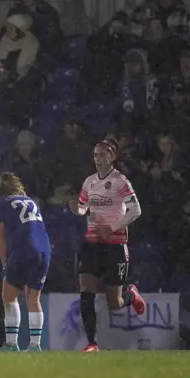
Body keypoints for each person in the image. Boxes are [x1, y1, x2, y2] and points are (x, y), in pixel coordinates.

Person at [68, 139, 146, 352]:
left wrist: (112, 227)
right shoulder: (89, 182)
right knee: (86, 292)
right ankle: (92, 343)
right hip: (92, 245)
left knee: (115, 302)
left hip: (115, 246)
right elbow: (84, 208)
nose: (98, 159)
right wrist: (77, 209)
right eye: (95, 155)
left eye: (102, 154)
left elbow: (135, 210)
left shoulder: (120, 181)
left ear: (112, 157)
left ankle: (131, 294)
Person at [0, 172, 51, 352]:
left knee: (8, 296)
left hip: (23, 248)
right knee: (34, 297)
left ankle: (11, 343)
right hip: (44, 248)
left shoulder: (1, 204)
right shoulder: (32, 202)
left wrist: (5, 264)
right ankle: (35, 344)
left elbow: (1, 239)